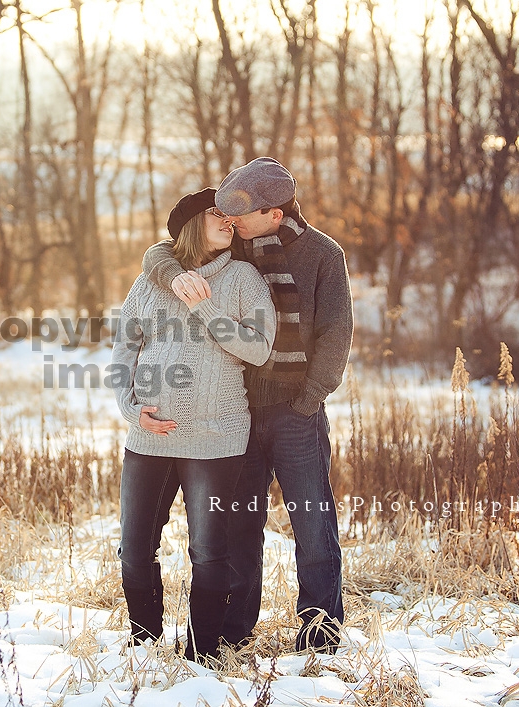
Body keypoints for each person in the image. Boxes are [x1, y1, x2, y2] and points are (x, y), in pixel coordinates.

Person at [141, 158, 353, 654]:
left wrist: (308, 399)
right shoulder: (237, 246)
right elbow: (161, 251)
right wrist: (173, 274)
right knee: (240, 524)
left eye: (242, 212)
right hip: (239, 411)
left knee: (312, 523)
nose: (229, 221)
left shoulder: (323, 254)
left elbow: (335, 334)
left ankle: (320, 634)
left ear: (274, 214)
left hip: (295, 413)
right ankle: (235, 630)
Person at [112, 188, 277, 664]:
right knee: (134, 548)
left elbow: (259, 348)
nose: (228, 221)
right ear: (189, 223)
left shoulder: (244, 278)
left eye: (232, 216)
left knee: (207, 551)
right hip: (149, 436)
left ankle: (202, 654)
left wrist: (205, 308)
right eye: (216, 214)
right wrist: (129, 408)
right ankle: (144, 644)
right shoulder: (150, 281)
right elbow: (125, 349)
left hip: (216, 438)